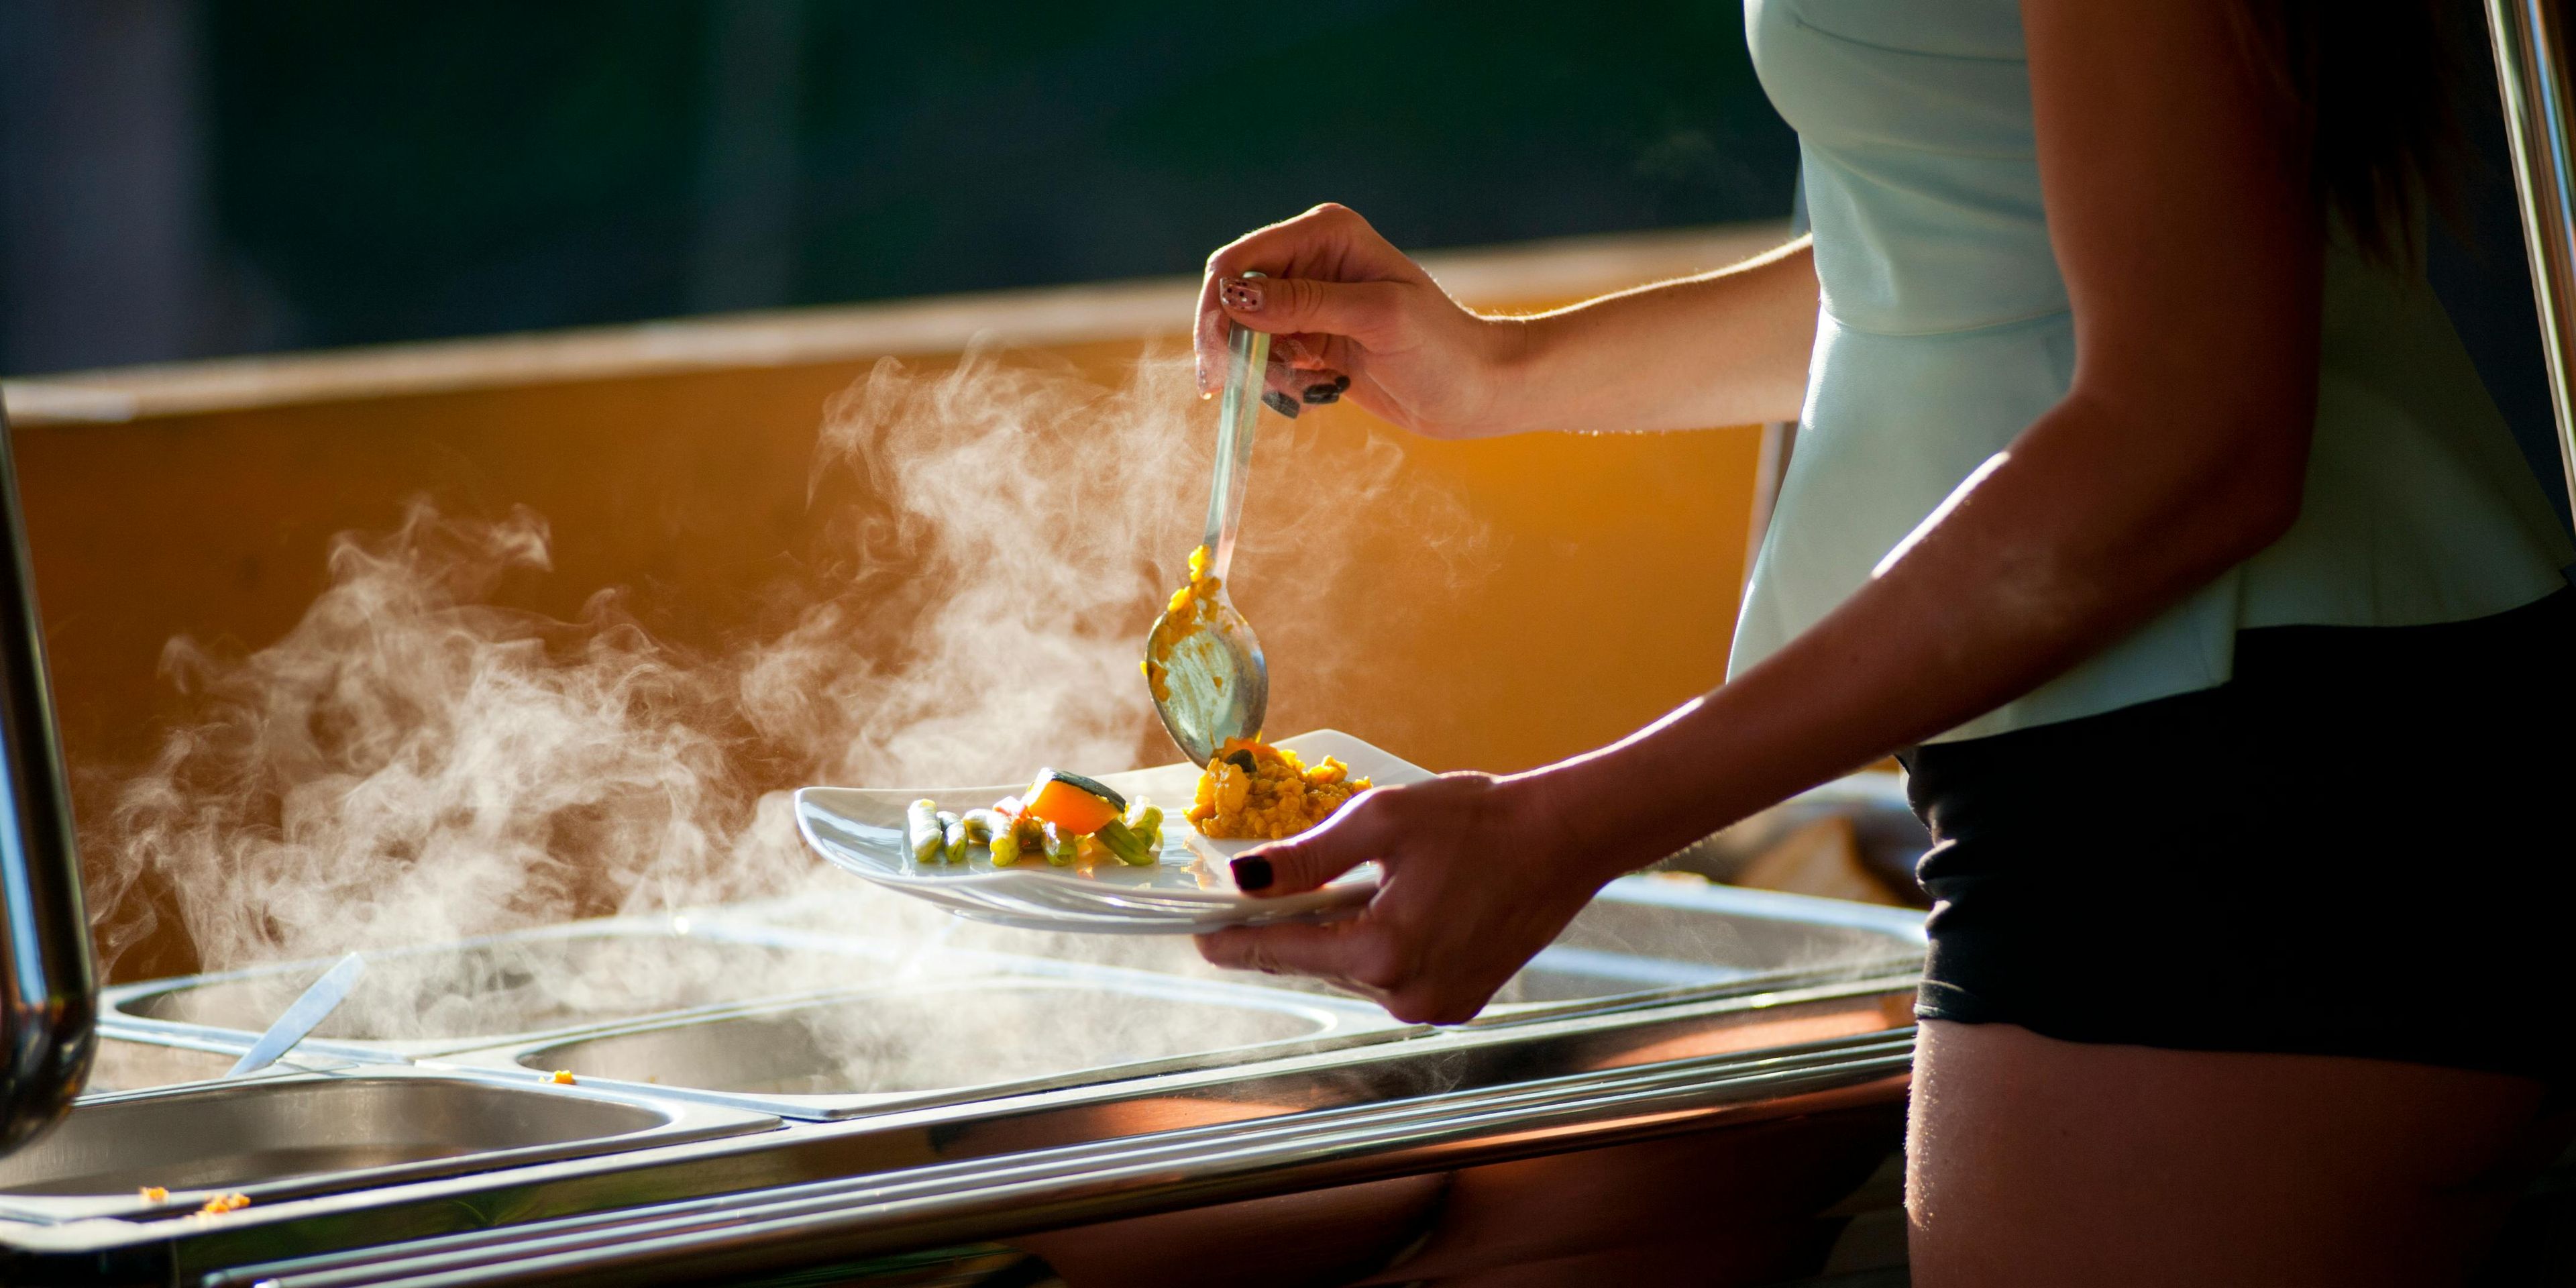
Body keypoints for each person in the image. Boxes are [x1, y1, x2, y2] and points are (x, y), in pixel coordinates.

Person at [1189, 2, 2576, 1283]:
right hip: (2199, 733)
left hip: (2260, 783)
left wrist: (1569, 824)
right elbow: (1968, 236)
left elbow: (2192, 439)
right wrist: (1503, 373)